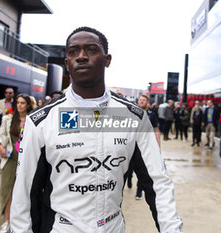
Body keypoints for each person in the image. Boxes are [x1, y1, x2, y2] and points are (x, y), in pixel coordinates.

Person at [10, 26, 182, 233]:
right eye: (73, 52)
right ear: (67, 63)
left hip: (113, 227)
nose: (81, 56)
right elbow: (24, 190)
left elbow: (158, 182)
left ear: (107, 59)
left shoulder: (133, 117)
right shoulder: (41, 120)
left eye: (91, 49)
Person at [0, 93, 33, 233]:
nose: (19, 105)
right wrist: (1, 147)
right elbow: (0, 136)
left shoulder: (32, 120)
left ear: (28, 105)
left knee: (24, 189)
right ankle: (7, 222)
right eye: (18, 102)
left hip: (27, 158)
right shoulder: (7, 119)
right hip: (11, 157)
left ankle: (23, 219)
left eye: (23, 103)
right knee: (8, 189)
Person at [129, 94, 161, 199]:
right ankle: (129, 179)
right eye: (140, 100)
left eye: (144, 100)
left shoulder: (151, 114)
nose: (142, 101)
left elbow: (156, 130)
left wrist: (158, 146)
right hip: (132, 145)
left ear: (147, 102)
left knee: (142, 170)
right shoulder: (132, 112)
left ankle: (139, 191)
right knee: (129, 168)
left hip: (145, 147)